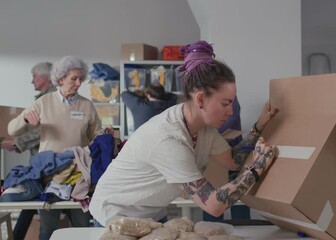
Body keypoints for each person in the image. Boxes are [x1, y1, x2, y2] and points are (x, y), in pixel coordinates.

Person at [89, 40, 279, 227]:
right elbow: (213, 205)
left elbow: (233, 160)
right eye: (225, 103)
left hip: (150, 213)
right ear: (201, 99)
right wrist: (257, 167)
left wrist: (259, 126)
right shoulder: (169, 139)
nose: (231, 112)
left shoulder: (204, 129)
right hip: (117, 213)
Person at [7, 56, 102, 240]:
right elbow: (12, 129)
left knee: (82, 229)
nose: (78, 83)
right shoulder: (44, 102)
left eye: (80, 79)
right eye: (73, 78)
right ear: (60, 78)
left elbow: (96, 135)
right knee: (48, 230)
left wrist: (103, 135)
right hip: (50, 179)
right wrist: (26, 119)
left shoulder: (87, 106)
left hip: (78, 178)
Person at [0, 62, 56, 240]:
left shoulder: (50, 99)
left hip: (47, 164)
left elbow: (43, 131)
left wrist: (18, 143)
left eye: (34, 76)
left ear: (44, 77)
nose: (32, 81)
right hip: (40, 161)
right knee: (33, 200)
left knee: (38, 201)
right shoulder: (43, 98)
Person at [202, 97, 252, 222]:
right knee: (212, 197)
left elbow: (229, 119)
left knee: (238, 195)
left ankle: (242, 228)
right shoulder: (207, 98)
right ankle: (212, 230)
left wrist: (205, 130)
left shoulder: (230, 98)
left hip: (233, 152)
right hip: (214, 157)